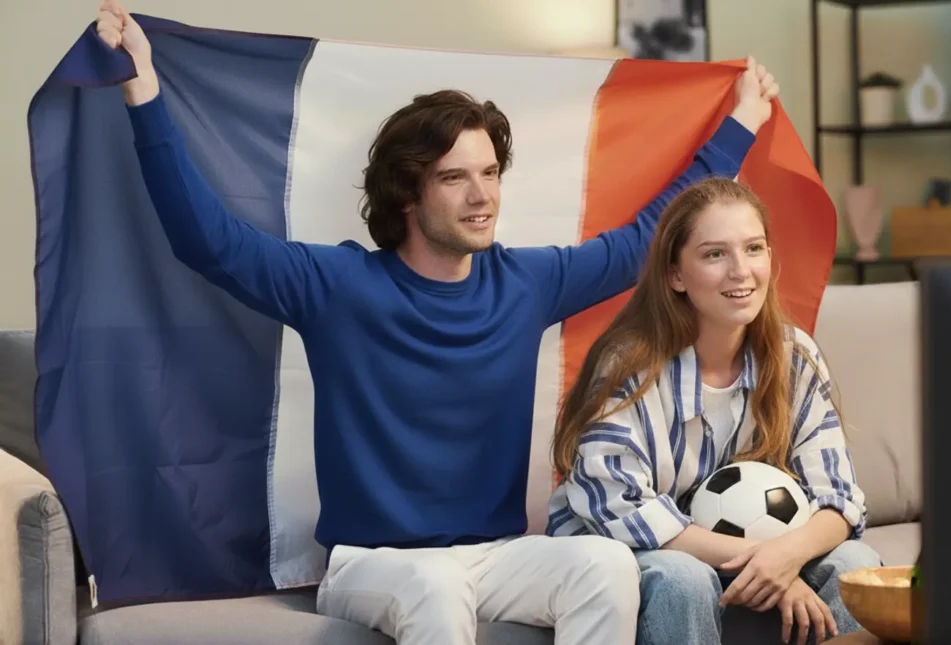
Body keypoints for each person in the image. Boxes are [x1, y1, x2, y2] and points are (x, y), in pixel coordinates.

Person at [95, 2, 779, 643]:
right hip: (374, 562)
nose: (483, 196)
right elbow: (205, 239)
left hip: (499, 553)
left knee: (604, 564)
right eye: (456, 178)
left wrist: (740, 122)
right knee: (429, 585)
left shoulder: (527, 282)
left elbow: (642, 240)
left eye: (490, 172)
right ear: (409, 192)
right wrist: (144, 92)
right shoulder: (337, 285)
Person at [546, 177, 882, 645]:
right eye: (714, 254)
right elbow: (620, 508)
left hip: (759, 550)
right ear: (675, 275)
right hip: (640, 549)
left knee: (856, 567)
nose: (741, 271)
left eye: (754, 248)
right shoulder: (629, 366)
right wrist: (770, 562)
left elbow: (839, 499)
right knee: (682, 578)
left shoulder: (793, 356)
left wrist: (782, 559)